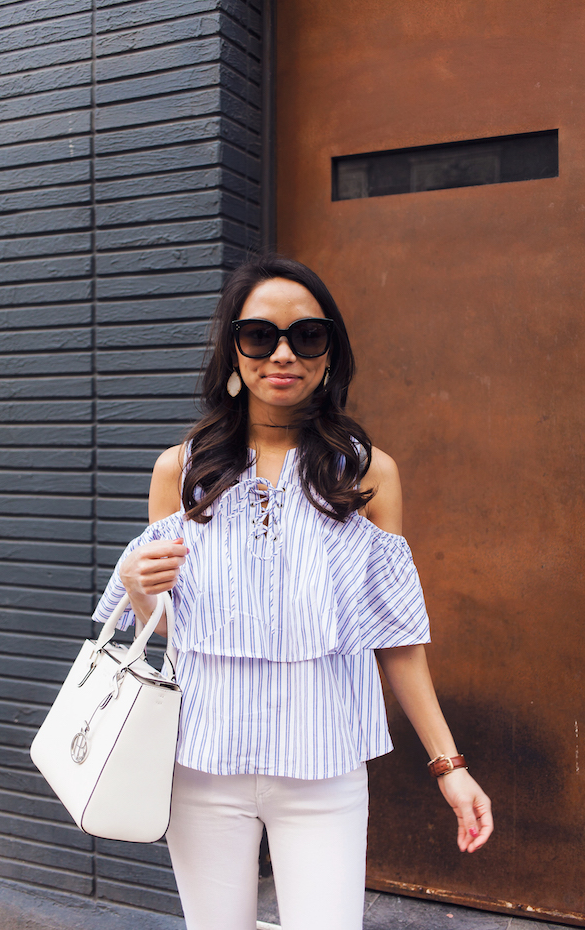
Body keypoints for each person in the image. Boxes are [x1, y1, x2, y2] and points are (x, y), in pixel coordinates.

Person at [93, 256, 493, 930]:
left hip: (322, 766)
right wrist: (136, 588)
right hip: (203, 763)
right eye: (259, 336)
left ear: (330, 353)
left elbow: (394, 637)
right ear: (233, 349)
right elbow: (168, 628)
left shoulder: (365, 474)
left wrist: (449, 765)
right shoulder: (181, 471)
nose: (283, 354)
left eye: (307, 336)